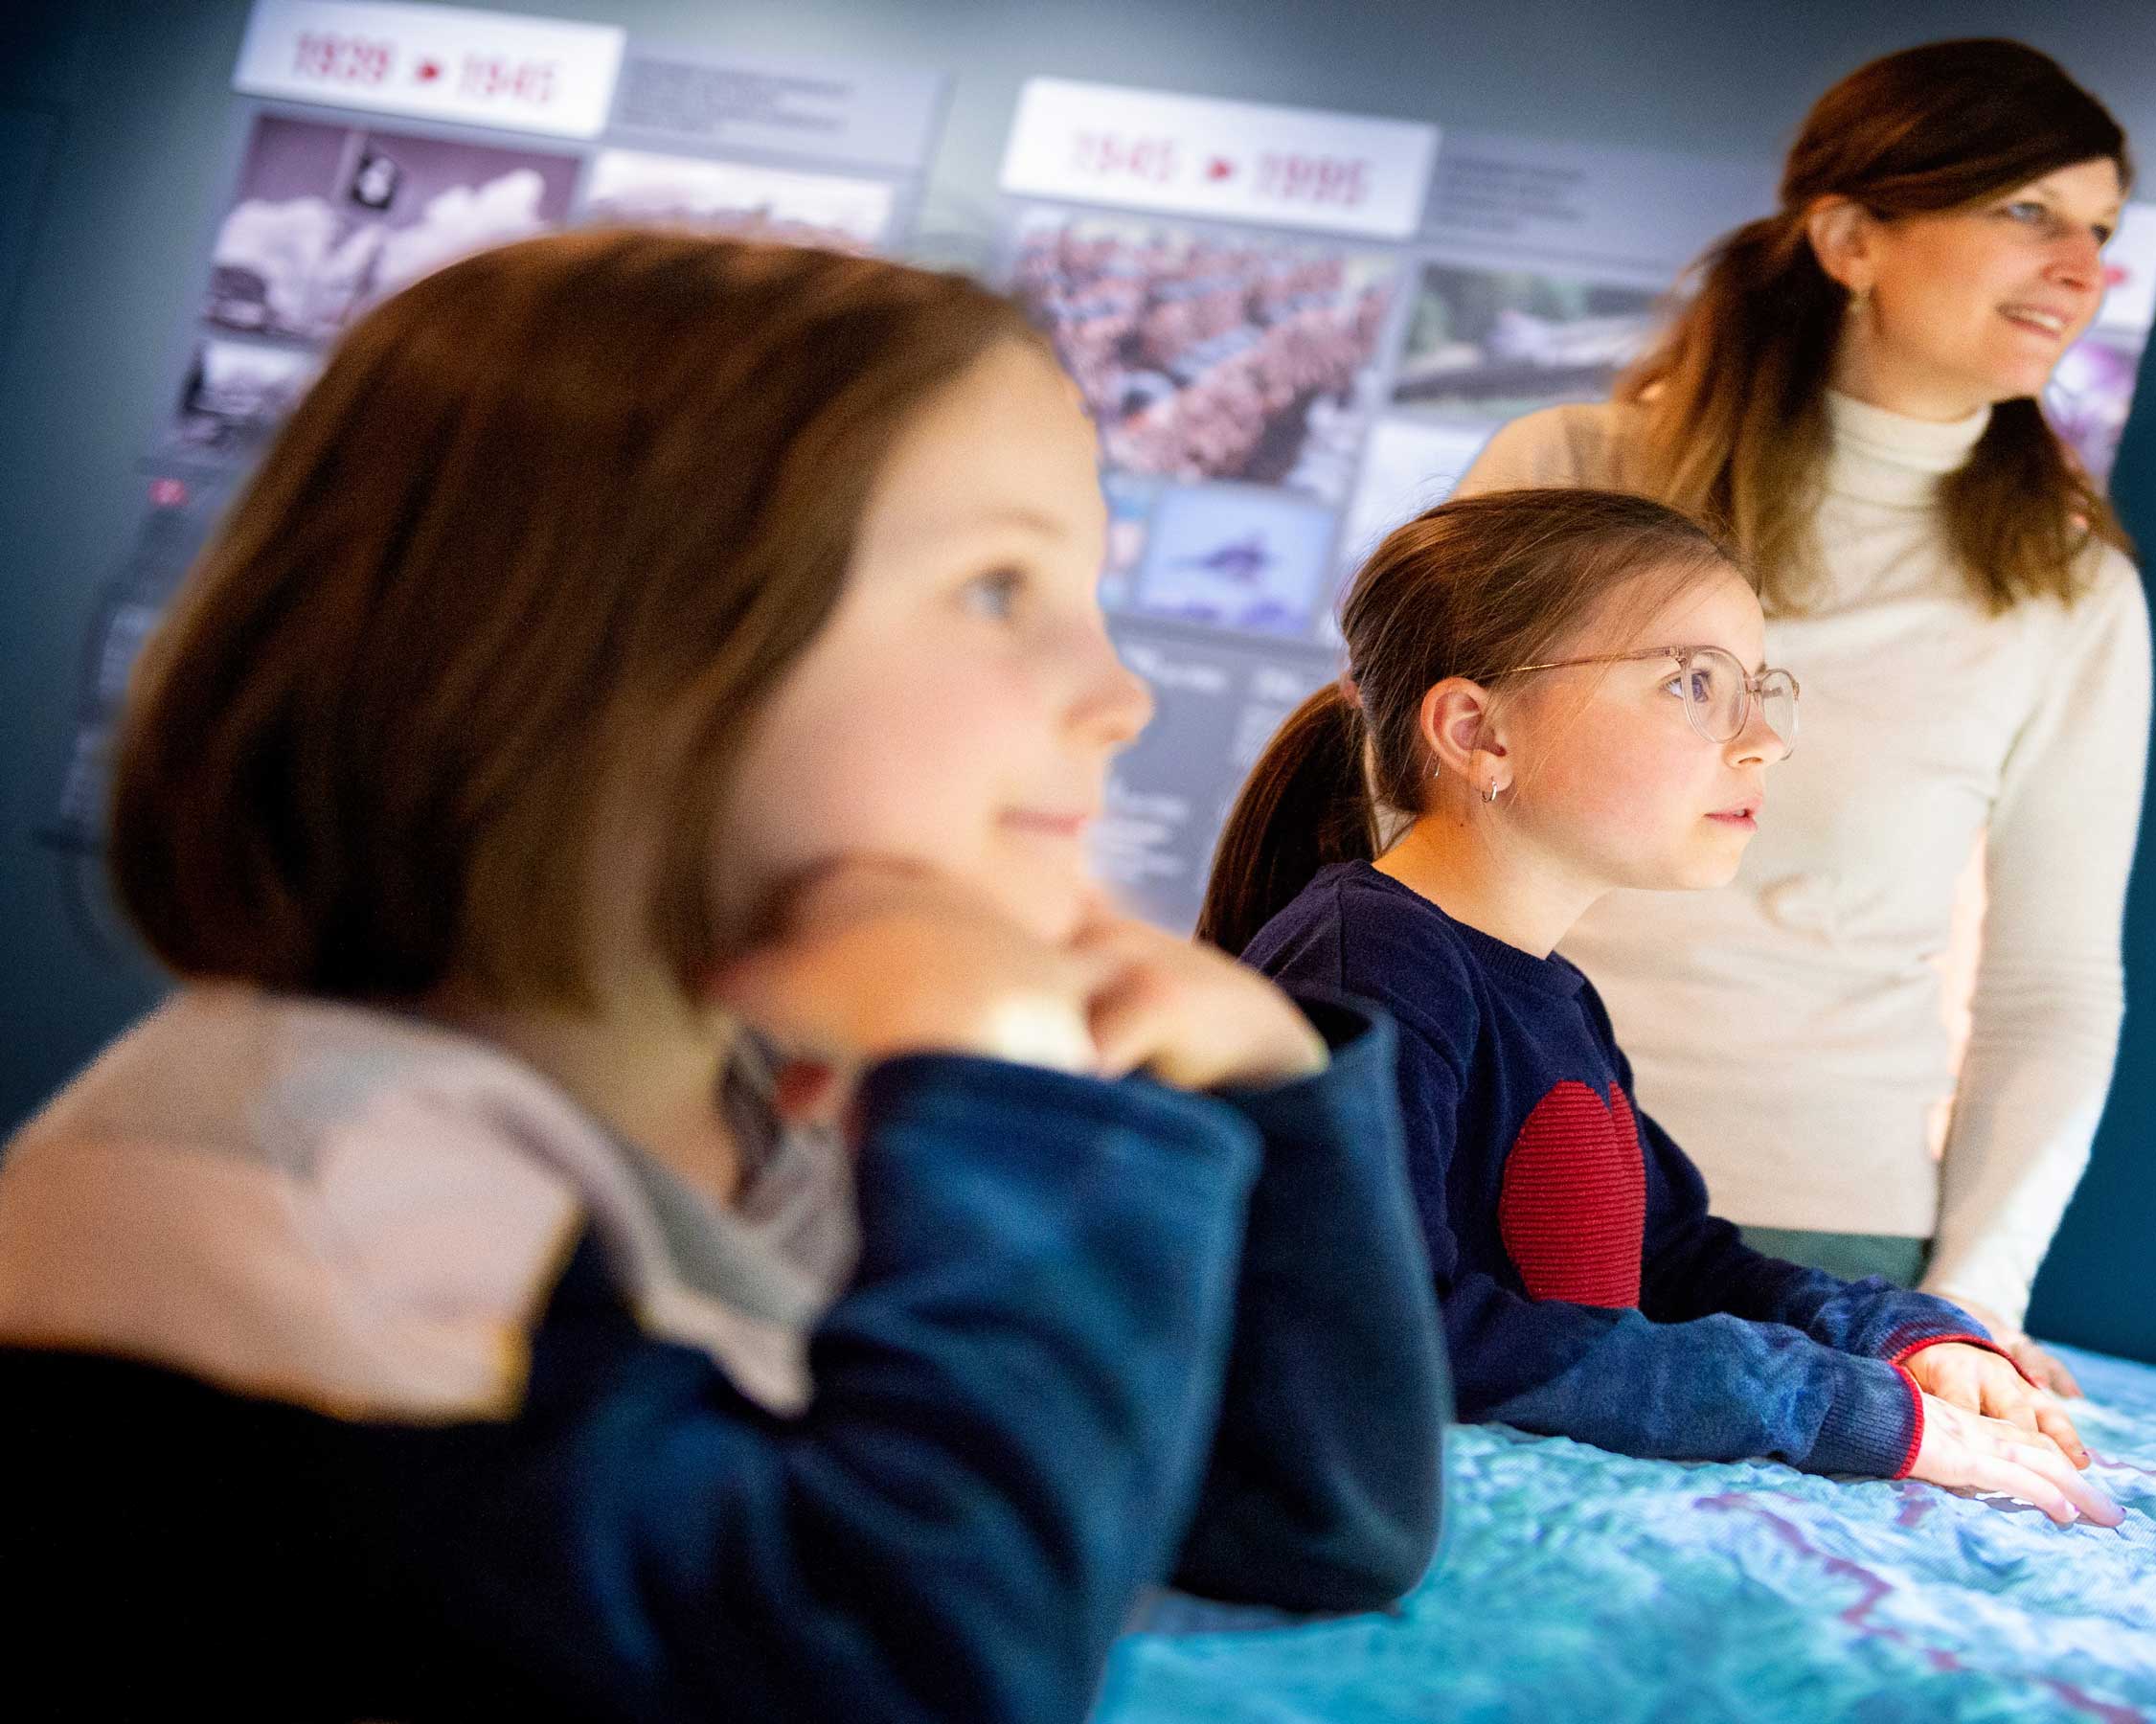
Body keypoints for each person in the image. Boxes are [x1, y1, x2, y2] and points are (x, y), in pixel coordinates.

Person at [0, 229, 1446, 1721]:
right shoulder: (298, 1188)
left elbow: (1306, 1528)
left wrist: (1276, 1092)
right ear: (591, 648)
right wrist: (1010, 1087)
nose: (1119, 694)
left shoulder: (785, 1103)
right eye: (997, 589)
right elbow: (906, 1681)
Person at [1200, 488, 2118, 1527]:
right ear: (1477, 730)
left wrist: (1901, 1338)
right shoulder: (1370, 965)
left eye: (1759, 690)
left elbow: (1671, 1260)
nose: (1764, 740)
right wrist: (1828, 1404)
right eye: (1693, 684)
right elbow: (1396, 1324)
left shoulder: (1559, 997)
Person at [1456, 39, 2152, 1380]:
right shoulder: (1568, 472)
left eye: (2100, 231)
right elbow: (1385, 822)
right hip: (1494, 1166)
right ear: (1849, 239)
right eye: (2027, 211)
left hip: (1823, 1248)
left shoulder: (2070, 587)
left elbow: (2051, 987)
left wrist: (1976, 1302)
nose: (2082, 270)